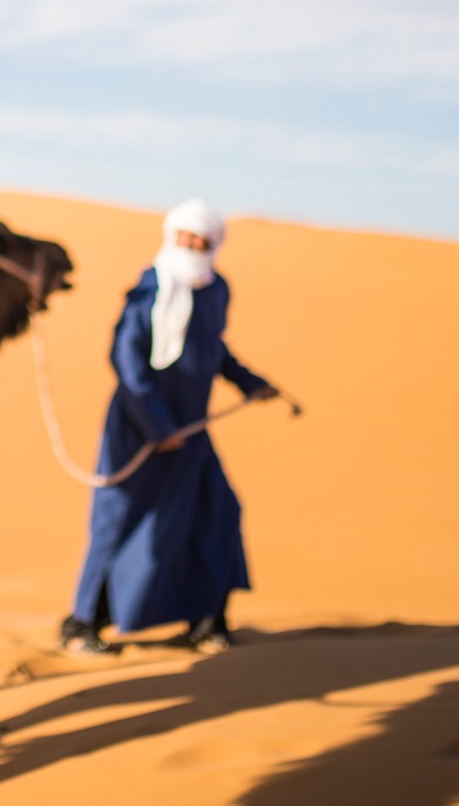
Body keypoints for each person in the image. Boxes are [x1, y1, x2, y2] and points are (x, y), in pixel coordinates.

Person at [60, 199, 279, 657]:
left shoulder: (216, 289)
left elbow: (211, 348)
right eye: (186, 236)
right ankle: (82, 625)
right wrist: (157, 427)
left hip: (192, 432)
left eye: (203, 239)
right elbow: (127, 359)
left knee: (216, 515)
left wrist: (250, 383)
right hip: (138, 432)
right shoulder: (148, 288)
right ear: (172, 235)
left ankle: (207, 621)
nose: (193, 245)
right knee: (118, 523)